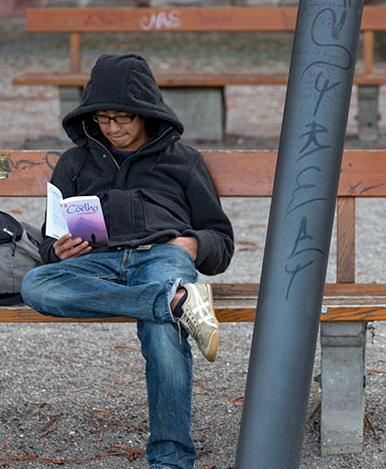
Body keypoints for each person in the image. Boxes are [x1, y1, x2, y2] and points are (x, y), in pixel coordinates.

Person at [20, 53, 234, 469]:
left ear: (145, 114)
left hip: (162, 257)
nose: (113, 129)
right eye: (103, 119)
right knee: (36, 284)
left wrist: (193, 245)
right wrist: (57, 250)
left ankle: (170, 460)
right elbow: (49, 242)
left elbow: (220, 241)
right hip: (95, 265)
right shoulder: (74, 162)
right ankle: (174, 302)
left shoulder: (182, 161)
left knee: (163, 336)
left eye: (123, 118)